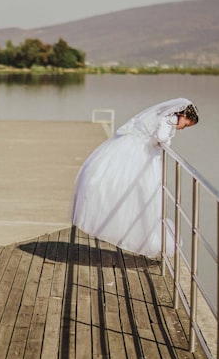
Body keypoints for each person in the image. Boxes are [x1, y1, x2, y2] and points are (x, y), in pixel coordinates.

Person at [71, 98, 199, 258]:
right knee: (143, 194)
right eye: (186, 124)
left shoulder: (167, 118)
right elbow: (161, 136)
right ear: (183, 115)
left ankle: (130, 230)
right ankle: (136, 233)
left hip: (139, 150)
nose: (183, 128)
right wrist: (166, 140)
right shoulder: (169, 119)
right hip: (139, 154)